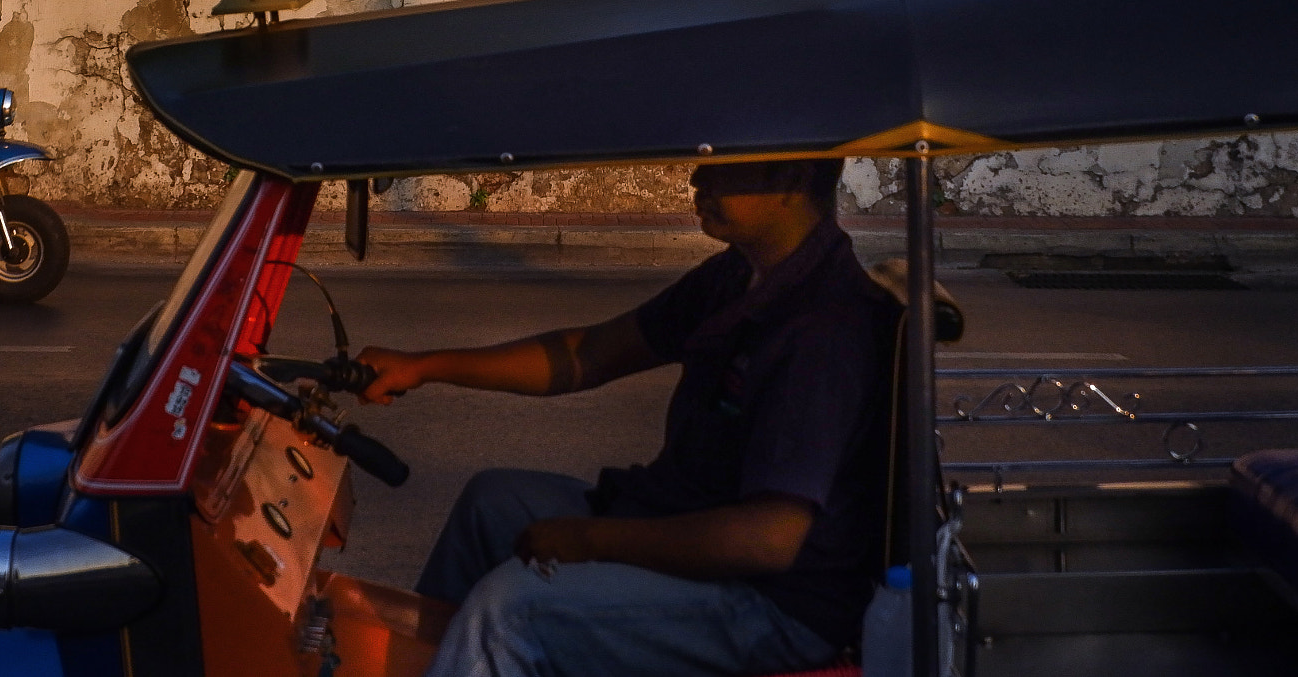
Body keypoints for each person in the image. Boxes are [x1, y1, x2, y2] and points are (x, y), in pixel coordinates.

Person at [356, 158, 900, 677]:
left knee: (513, 608)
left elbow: (767, 540)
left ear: (792, 182)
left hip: (770, 606)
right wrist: (426, 366)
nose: (697, 178)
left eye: (726, 168)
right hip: (683, 517)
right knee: (492, 503)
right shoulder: (736, 277)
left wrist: (592, 541)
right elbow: (588, 354)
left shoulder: (822, 330)